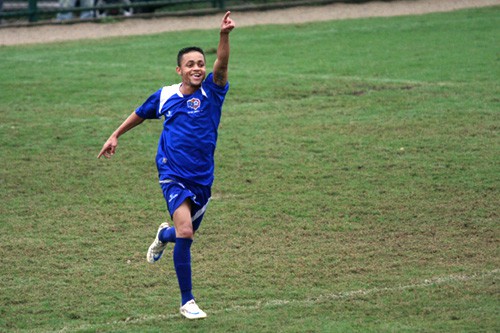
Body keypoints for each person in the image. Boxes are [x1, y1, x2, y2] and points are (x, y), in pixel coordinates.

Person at [97, 11, 235, 319]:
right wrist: (115, 134)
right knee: (186, 231)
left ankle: (163, 236)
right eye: (191, 64)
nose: (197, 68)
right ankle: (187, 301)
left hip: (202, 178)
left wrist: (224, 36)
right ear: (179, 69)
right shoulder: (165, 96)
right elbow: (141, 113)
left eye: (201, 63)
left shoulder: (212, 92)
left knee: (183, 234)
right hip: (171, 173)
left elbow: (222, 65)